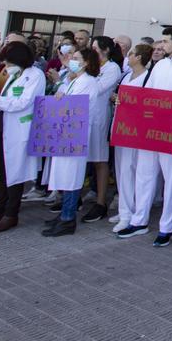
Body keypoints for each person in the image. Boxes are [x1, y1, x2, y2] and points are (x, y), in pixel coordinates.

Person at [127, 26, 172, 245]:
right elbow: (147, 93)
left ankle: (166, 227)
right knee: (144, 173)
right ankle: (139, 220)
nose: (161, 45)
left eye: (166, 42)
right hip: (151, 128)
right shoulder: (159, 66)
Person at [0, 41, 42, 233]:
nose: (6, 66)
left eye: (9, 62)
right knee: (1, 172)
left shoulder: (35, 75)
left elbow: (23, 102)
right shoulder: (10, 74)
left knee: (15, 173)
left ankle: (11, 214)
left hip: (19, 130)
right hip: (1, 128)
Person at [42, 48, 102, 237]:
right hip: (65, 133)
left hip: (75, 134)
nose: (72, 60)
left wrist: (63, 98)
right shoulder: (74, 79)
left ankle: (68, 218)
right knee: (63, 174)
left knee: (71, 176)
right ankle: (63, 215)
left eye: (76, 58)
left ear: (85, 63)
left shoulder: (88, 82)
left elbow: (75, 106)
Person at [111, 43, 153, 234]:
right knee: (122, 170)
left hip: (135, 128)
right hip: (121, 125)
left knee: (131, 169)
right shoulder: (127, 76)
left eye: (131, 54)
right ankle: (124, 209)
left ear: (139, 57)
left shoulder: (148, 77)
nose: (128, 57)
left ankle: (131, 213)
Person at [81, 35, 124, 222]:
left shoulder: (112, 68)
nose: (92, 51)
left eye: (95, 48)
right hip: (82, 116)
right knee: (80, 159)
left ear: (105, 50)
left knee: (99, 160)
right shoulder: (90, 67)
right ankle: (73, 199)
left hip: (99, 118)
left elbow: (96, 89)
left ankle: (100, 202)